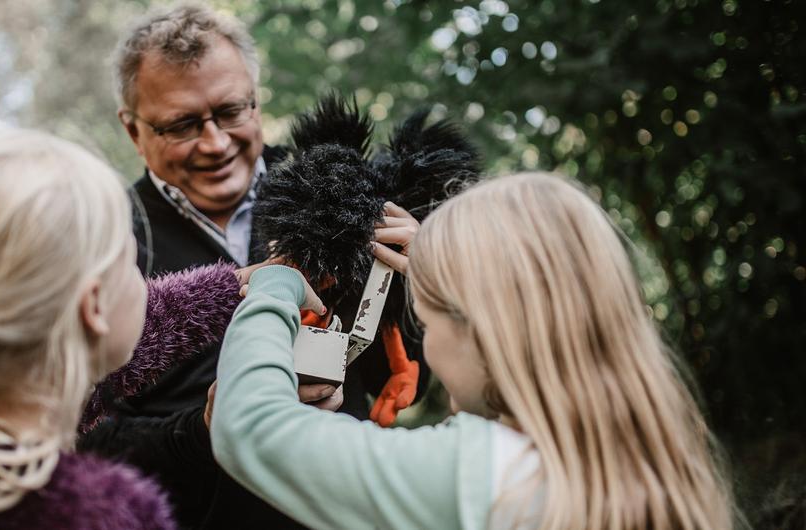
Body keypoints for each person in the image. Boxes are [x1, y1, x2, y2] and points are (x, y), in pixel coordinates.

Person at [211, 172, 738, 529]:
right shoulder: (655, 458)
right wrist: (453, 273)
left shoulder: (487, 475)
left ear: (484, 331)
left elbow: (250, 429)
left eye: (431, 321)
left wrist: (275, 285)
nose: (431, 349)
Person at [91, 4, 426, 527]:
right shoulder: (98, 242)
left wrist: (421, 287)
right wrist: (202, 431)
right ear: (133, 131)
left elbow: (409, 379)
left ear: (255, 98)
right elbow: (86, 445)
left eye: (230, 112)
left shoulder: (341, 194)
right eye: (182, 124)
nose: (215, 143)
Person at [0, 128, 246, 530]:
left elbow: (129, 329)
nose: (142, 283)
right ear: (93, 306)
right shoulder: (103, 516)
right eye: (131, 263)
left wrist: (231, 288)